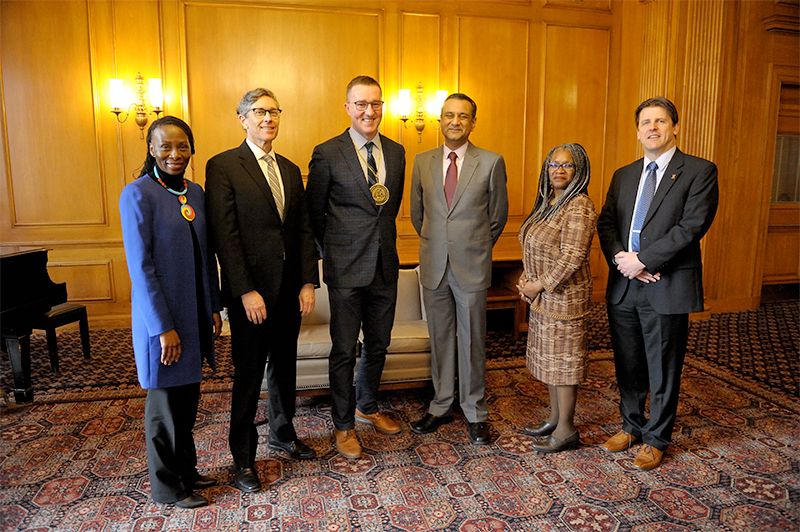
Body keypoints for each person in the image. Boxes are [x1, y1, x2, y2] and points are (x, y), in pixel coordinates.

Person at [205, 88, 319, 493]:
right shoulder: (222, 166)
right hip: (250, 295)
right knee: (249, 376)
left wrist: (308, 281)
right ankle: (243, 459)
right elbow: (225, 235)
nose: (268, 118)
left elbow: (303, 229)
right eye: (259, 112)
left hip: (290, 291)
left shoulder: (288, 169)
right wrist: (244, 291)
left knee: (284, 367)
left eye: (273, 111)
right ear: (243, 119)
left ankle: (283, 434)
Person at [597, 97, 719, 470]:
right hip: (625, 284)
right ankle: (631, 426)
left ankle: (656, 438)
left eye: (660, 121)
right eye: (645, 122)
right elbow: (606, 223)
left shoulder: (699, 171)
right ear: (637, 131)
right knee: (628, 362)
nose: (652, 127)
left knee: (663, 365)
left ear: (674, 127)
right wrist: (623, 261)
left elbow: (692, 227)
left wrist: (644, 261)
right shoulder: (624, 174)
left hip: (666, 284)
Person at [119, 116, 222, 509]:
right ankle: (167, 487)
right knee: (164, 409)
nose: (175, 154)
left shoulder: (194, 192)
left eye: (182, 146)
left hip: (195, 317)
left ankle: (188, 470)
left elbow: (206, 258)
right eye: (165, 147)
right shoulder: (138, 194)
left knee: (188, 401)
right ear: (151, 149)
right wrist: (163, 328)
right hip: (161, 323)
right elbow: (140, 267)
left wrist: (213, 307)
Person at [306, 75, 406, 459]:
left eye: (376, 104)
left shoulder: (396, 152)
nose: (369, 111)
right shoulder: (328, 152)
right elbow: (315, 214)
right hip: (346, 270)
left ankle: (367, 406)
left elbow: (388, 210)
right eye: (361, 104)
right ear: (347, 108)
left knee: (379, 344)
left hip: (385, 267)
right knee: (344, 350)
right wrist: (331, 254)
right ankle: (344, 426)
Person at [409, 93, 509, 445]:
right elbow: (417, 215)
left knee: (472, 341)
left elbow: (497, 217)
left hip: (472, 266)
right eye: (449, 115)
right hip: (434, 265)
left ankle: (475, 411)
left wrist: (473, 244)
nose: (455, 121)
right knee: (439, 340)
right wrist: (440, 243)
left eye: (463, 116)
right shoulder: (421, 162)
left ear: (473, 122)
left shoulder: (491, 162)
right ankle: (440, 405)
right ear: (439, 120)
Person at [516, 143, 597, 453]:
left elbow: (573, 257)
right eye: (553, 164)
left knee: (564, 366)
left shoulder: (578, 205)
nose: (559, 170)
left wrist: (539, 285)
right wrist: (526, 279)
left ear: (579, 171)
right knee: (550, 362)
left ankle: (566, 429)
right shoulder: (550, 202)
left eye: (567, 165)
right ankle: (553, 418)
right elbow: (533, 245)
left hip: (565, 300)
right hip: (543, 298)